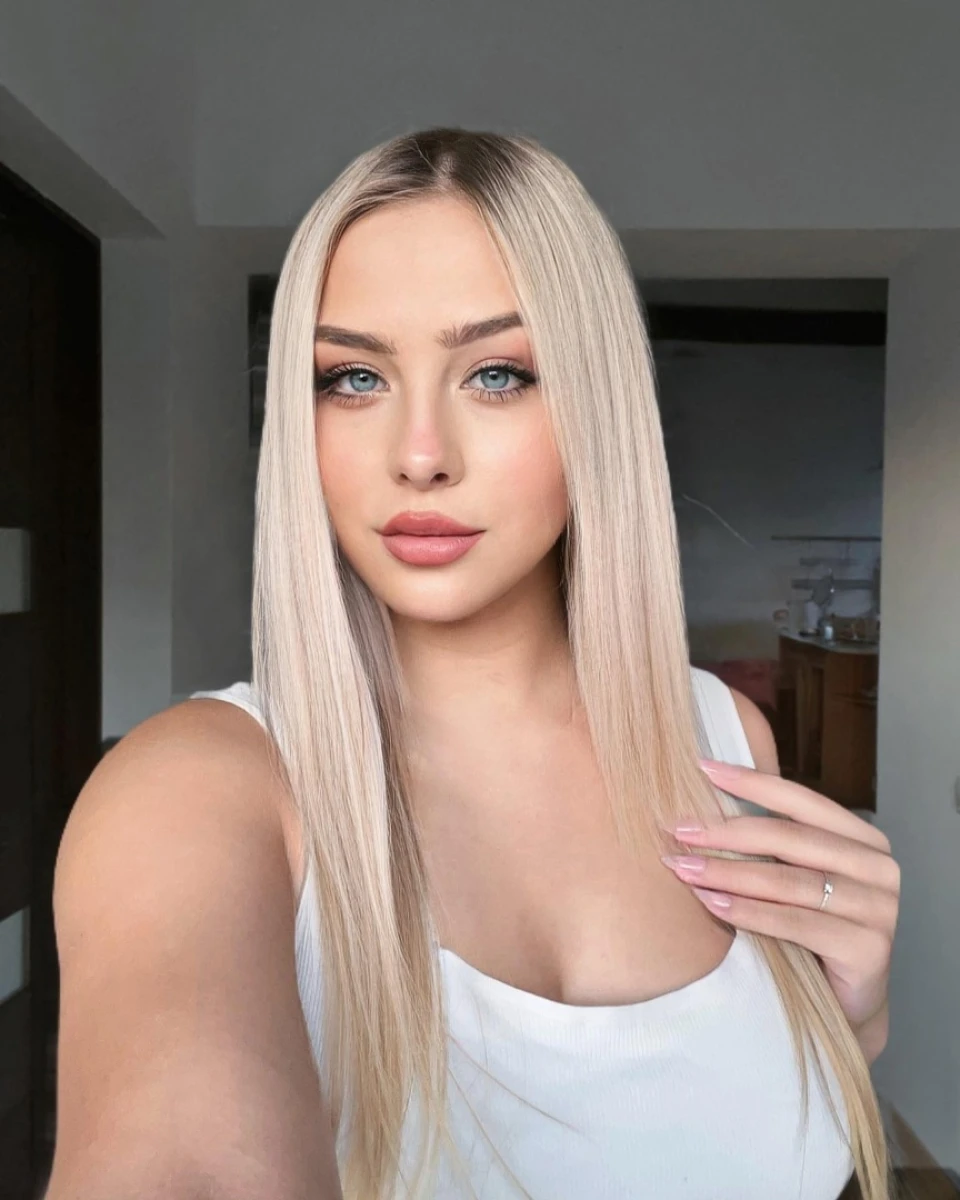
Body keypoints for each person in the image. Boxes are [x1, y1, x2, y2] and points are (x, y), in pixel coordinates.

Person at [46, 128, 899, 1200]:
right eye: (353, 377)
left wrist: (855, 1016)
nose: (419, 455)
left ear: (596, 404)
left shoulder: (723, 735)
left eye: (497, 374)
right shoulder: (197, 791)